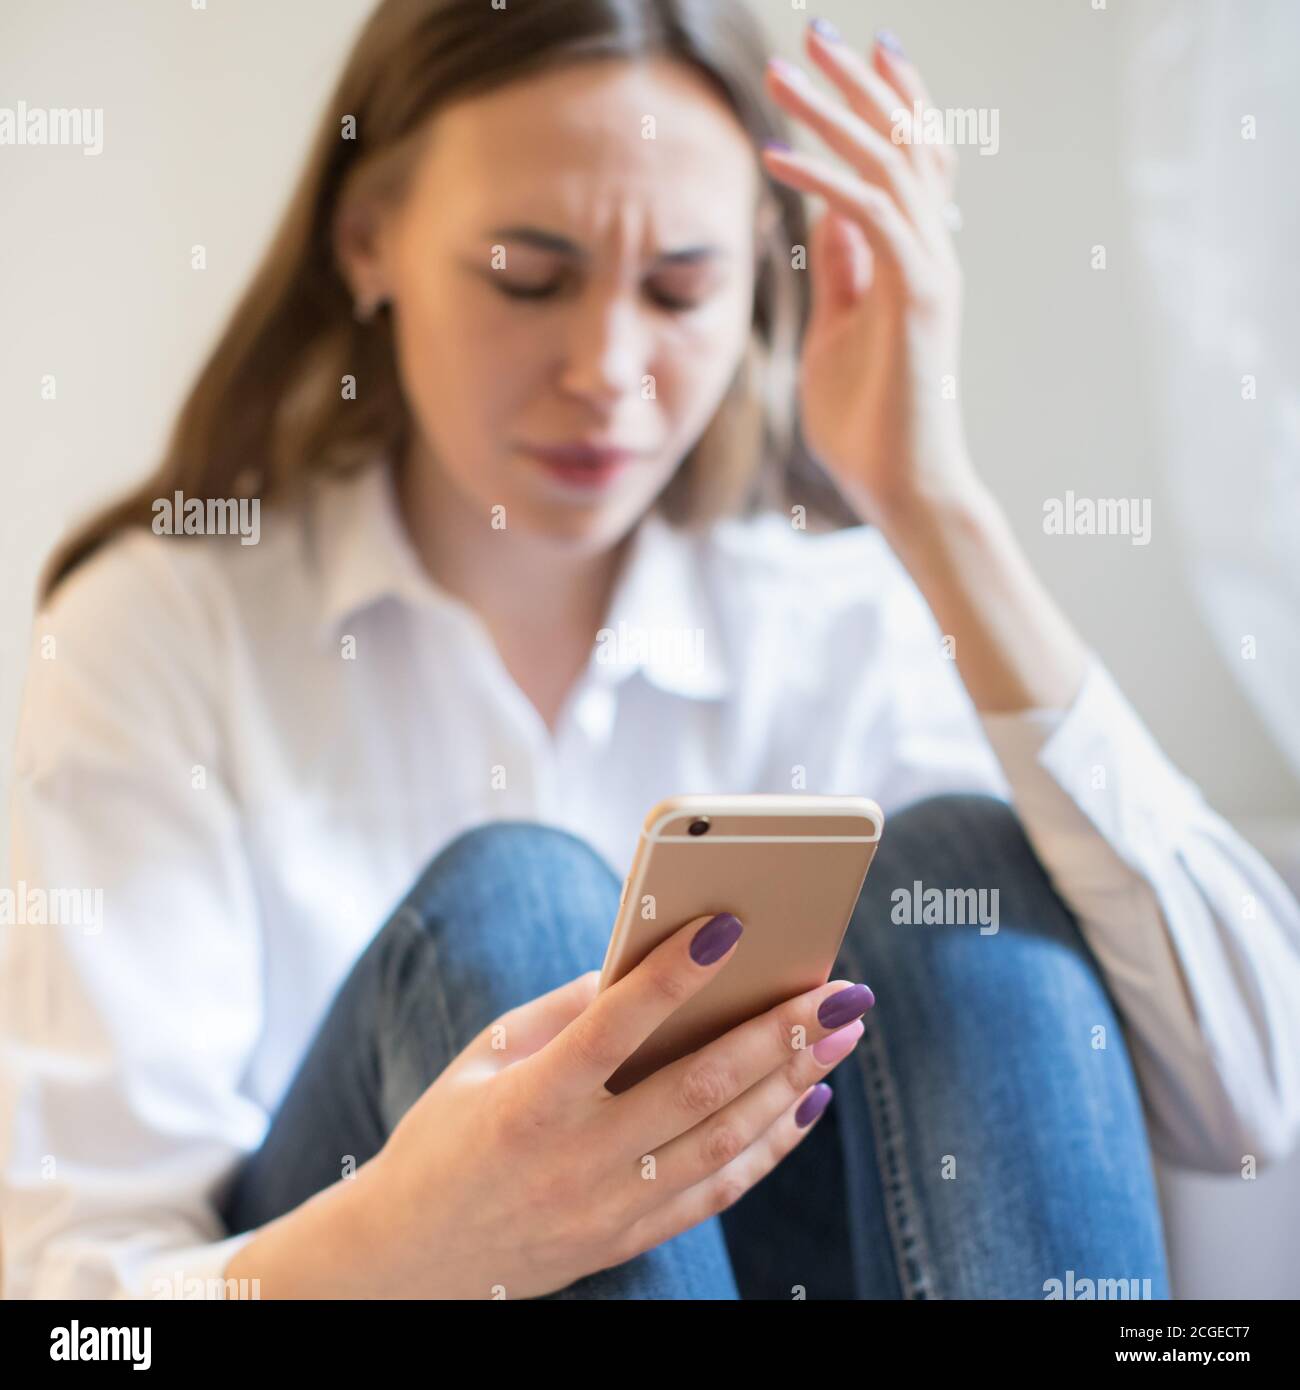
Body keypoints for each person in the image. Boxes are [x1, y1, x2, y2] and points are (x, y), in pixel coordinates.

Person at [3, 0, 1298, 1301]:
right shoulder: (161, 637)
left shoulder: (834, 620)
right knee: (522, 913)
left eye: (681, 288)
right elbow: (78, 1311)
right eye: (527, 275)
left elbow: (1256, 1107)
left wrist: (933, 499)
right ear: (367, 239)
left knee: (962, 859)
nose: (608, 367)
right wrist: (406, 1236)